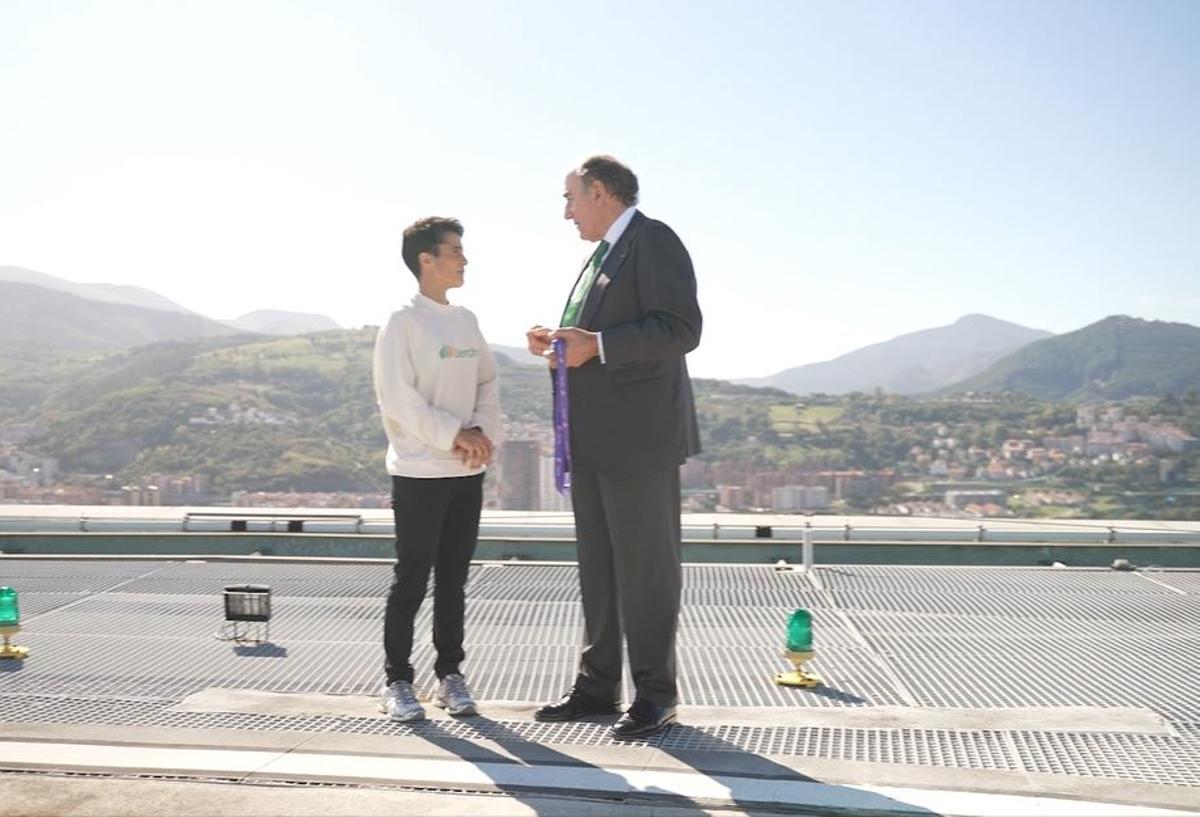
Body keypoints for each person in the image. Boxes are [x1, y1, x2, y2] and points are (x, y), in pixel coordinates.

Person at [526, 156, 702, 739]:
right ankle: (599, 687)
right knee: (598, 568)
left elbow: (680, 329)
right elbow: (592, 342)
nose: (566, 210)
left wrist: (595, 344)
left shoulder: (654, 241)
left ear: (600, 192)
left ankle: (656, 693)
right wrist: (558, 343)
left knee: (647, 570)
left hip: (640, 440)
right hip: (595, 439)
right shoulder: (598, 259)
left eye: (571, 197)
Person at [373, 216, 501, 722]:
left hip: (466, 472)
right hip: (419, 472)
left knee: (454, 579)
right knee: (412, 578)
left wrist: (482, 435)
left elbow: (488, 383)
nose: (463, 259)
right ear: (425, 259)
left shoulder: (466, 321)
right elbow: (398, 400)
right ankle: (398, 681)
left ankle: (451, 675)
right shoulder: (402, 323)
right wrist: (454, 434)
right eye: (454, 251)